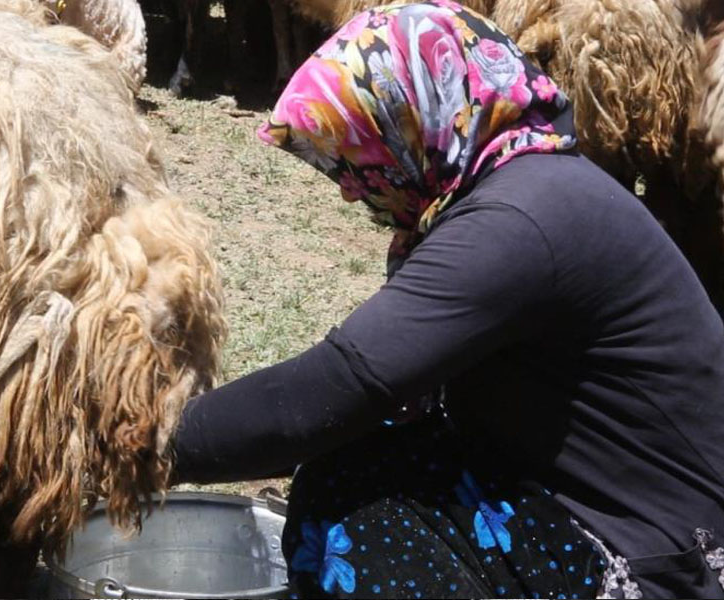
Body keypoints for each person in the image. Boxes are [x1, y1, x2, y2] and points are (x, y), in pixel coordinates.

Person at [171, 2, 724, 597]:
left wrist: (134, 445)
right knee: (361, 465)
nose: (355, 194)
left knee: (359, 522)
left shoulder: (519, 221)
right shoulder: (531, 183)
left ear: (415, 117)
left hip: (668, 561)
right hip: (632, 516)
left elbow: (331, 390)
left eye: (360, 162)